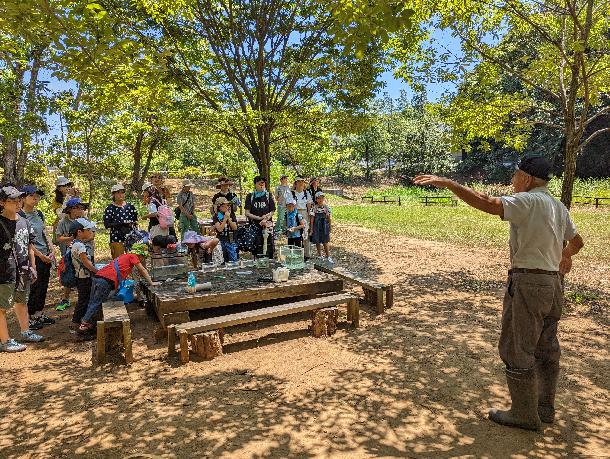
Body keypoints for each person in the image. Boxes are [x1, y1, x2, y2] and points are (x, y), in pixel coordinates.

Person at [413, 155, 584, 431]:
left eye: (516, 176)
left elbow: (489, 203)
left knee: (517, 346)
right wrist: (564, 256)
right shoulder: (557, 206)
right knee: (547, 347)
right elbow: (577, 242)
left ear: (527, 178)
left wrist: (449, 184)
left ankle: (523, 414)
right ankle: (544, 408)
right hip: (553, 285)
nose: (513, 181)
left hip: (528, 283)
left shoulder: (527, 201)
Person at [77, 243, 160, 337]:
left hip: (98, 277)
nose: (142, 259)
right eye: (143, 257)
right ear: (140, 254)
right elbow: (143, 270)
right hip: (105, 281)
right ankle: (84, 326)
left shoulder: (123, 256)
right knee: (97, 302)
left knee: (93, 302)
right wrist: (152, 283)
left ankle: (88, 322)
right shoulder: (133, 256)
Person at [0, 185, 44, 352]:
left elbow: (29, 246)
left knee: (22, 302)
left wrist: (32, 267)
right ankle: (5, 341)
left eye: (19, 200)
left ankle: (26, 331)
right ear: (2, 203)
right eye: (13, 201)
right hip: (4, 272)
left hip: (23, 270)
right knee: (2, 307)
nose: (18, 203)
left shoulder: (24, 221)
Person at [19, 185, 56, 330]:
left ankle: (39, 313)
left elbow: (45, 233)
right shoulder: (20, 216)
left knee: (43, 286)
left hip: (46, 254)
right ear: (23, 198)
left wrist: (52, 250)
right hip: (32, 256)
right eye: (31, 196)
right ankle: (30, 317)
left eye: (37, 196)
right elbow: (26, 241)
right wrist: (40, 255)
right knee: (34, 287)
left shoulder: (39, 214)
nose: (35, 199)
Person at [55, 197, 90, 311]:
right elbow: (58, 237)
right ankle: (66, 299)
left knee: (85, 274)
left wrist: (80, 241)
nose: (80, 210)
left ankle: (85, 298)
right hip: (69, 254)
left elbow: (92, 234)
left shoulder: (84, 220)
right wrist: (72, 239)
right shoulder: (63, 222)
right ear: (70, 209)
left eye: (81, 208)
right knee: (69, 275)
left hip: (85, 251)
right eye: (77, 208)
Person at [69, 218, 98, 330]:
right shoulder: (80, 246)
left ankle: (81, 321)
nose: (90, 231)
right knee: (83, 300)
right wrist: (97, 271)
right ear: (79, 232)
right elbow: (86, 263)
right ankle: (77, 323)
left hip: (80, 276)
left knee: (83, 299)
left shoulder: (74, 243)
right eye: (87, 229)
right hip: (84, 277)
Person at [103, 184, 138, 259]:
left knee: (133, 259)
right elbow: (107, 224)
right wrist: (122, 223)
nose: (120, 195)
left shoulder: (130, 207)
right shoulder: (110, 208)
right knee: (119, 261)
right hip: (116, 237)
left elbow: (135, 221)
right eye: (118, 192)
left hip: (131, 236)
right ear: (113, 194)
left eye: (122, 192)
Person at [244, 176, 276, 259]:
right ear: (255, 184)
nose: (262, 185)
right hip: (255, 226)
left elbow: (272, 211)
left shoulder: (269, 195)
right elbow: (247, 213)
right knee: (257, 246)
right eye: (259, 183)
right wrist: (258, 218)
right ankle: (258, 263)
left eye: (263, 183)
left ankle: (269, 261)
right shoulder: (250, 196)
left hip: (267, 225)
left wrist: (265, 218)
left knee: (269, 246)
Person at [292, 177, 313, 259]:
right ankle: (296, 254)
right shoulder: (292, 193)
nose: (301, 183)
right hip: (295, 213)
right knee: (295, 234)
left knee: (305, 234)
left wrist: (309, 216)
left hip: (304, 212)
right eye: (299, 181)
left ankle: (307, 254)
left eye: (302, 181)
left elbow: (309, 205)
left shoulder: (306, 193)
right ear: (295, 183)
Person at [309, 191, 333, 262]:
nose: (320, 200)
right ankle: (319, 255)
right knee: (317, 240)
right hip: (316, 226)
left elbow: (329, 218)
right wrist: (311, 229)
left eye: (322, 198)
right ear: (316, 199)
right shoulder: (314, 208)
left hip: (324, 226)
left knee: (325, 241)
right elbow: (312, 219)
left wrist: (330, 227)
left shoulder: (326, 207)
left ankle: (328, 256)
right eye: (318, 198)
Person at [213, 197, 238, 262]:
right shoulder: (216, 216)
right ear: (219, 207)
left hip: (230, 239)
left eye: (227, 205)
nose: (226, 207)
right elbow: (220, 229)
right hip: (221, 239)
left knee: (233, 258)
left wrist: (229, 219)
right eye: (224, 206)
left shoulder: (231, 215)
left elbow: (235, 227)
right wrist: (225, 219)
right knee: (222, 258)